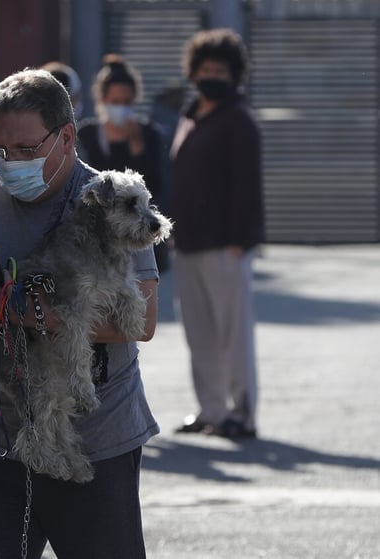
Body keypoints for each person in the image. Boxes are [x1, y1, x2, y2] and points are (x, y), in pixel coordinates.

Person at [0, 68, 160, 558]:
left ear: (66, 137)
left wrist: (37, 315)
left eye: (26, 150)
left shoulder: (111, 198)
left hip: (99, 442)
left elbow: (143, 322)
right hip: (5, 438)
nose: (10, 162)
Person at [169, 28, 264, 439]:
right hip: (187, 243)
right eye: (205, 68)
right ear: (193, 71)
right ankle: (211, 410)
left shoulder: (238, 121)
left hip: (225, 245)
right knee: (200, 335)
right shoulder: (190, 117)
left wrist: (239, 243)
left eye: (220, 69)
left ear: (235, 74)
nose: (211, 75)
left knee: (233, 336)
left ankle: (241, 415)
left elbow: (248, 187)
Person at [76, 54, 170, 271]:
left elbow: (157, 187)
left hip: (141, 241)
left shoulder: (149, 134)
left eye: (127, 102)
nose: (121, 108)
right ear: (102, 100)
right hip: (98, 245)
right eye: (115, 102)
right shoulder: (87, 134)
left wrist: (138, 148)